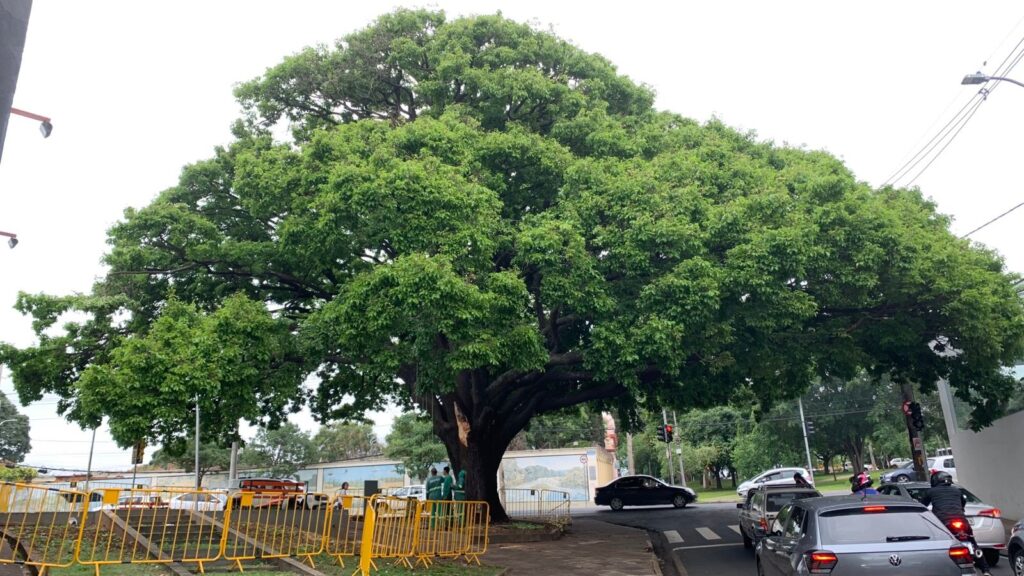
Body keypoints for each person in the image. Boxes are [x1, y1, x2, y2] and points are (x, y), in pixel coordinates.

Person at [921, 471, 990, 576]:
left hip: (942, 522)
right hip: (961, 520)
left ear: (935, 480)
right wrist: (960, 510)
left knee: (938, 544)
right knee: (973, 542)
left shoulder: (931, 492)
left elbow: (922, 506)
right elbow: (963, 503)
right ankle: (986, 571)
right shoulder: (956, 491)